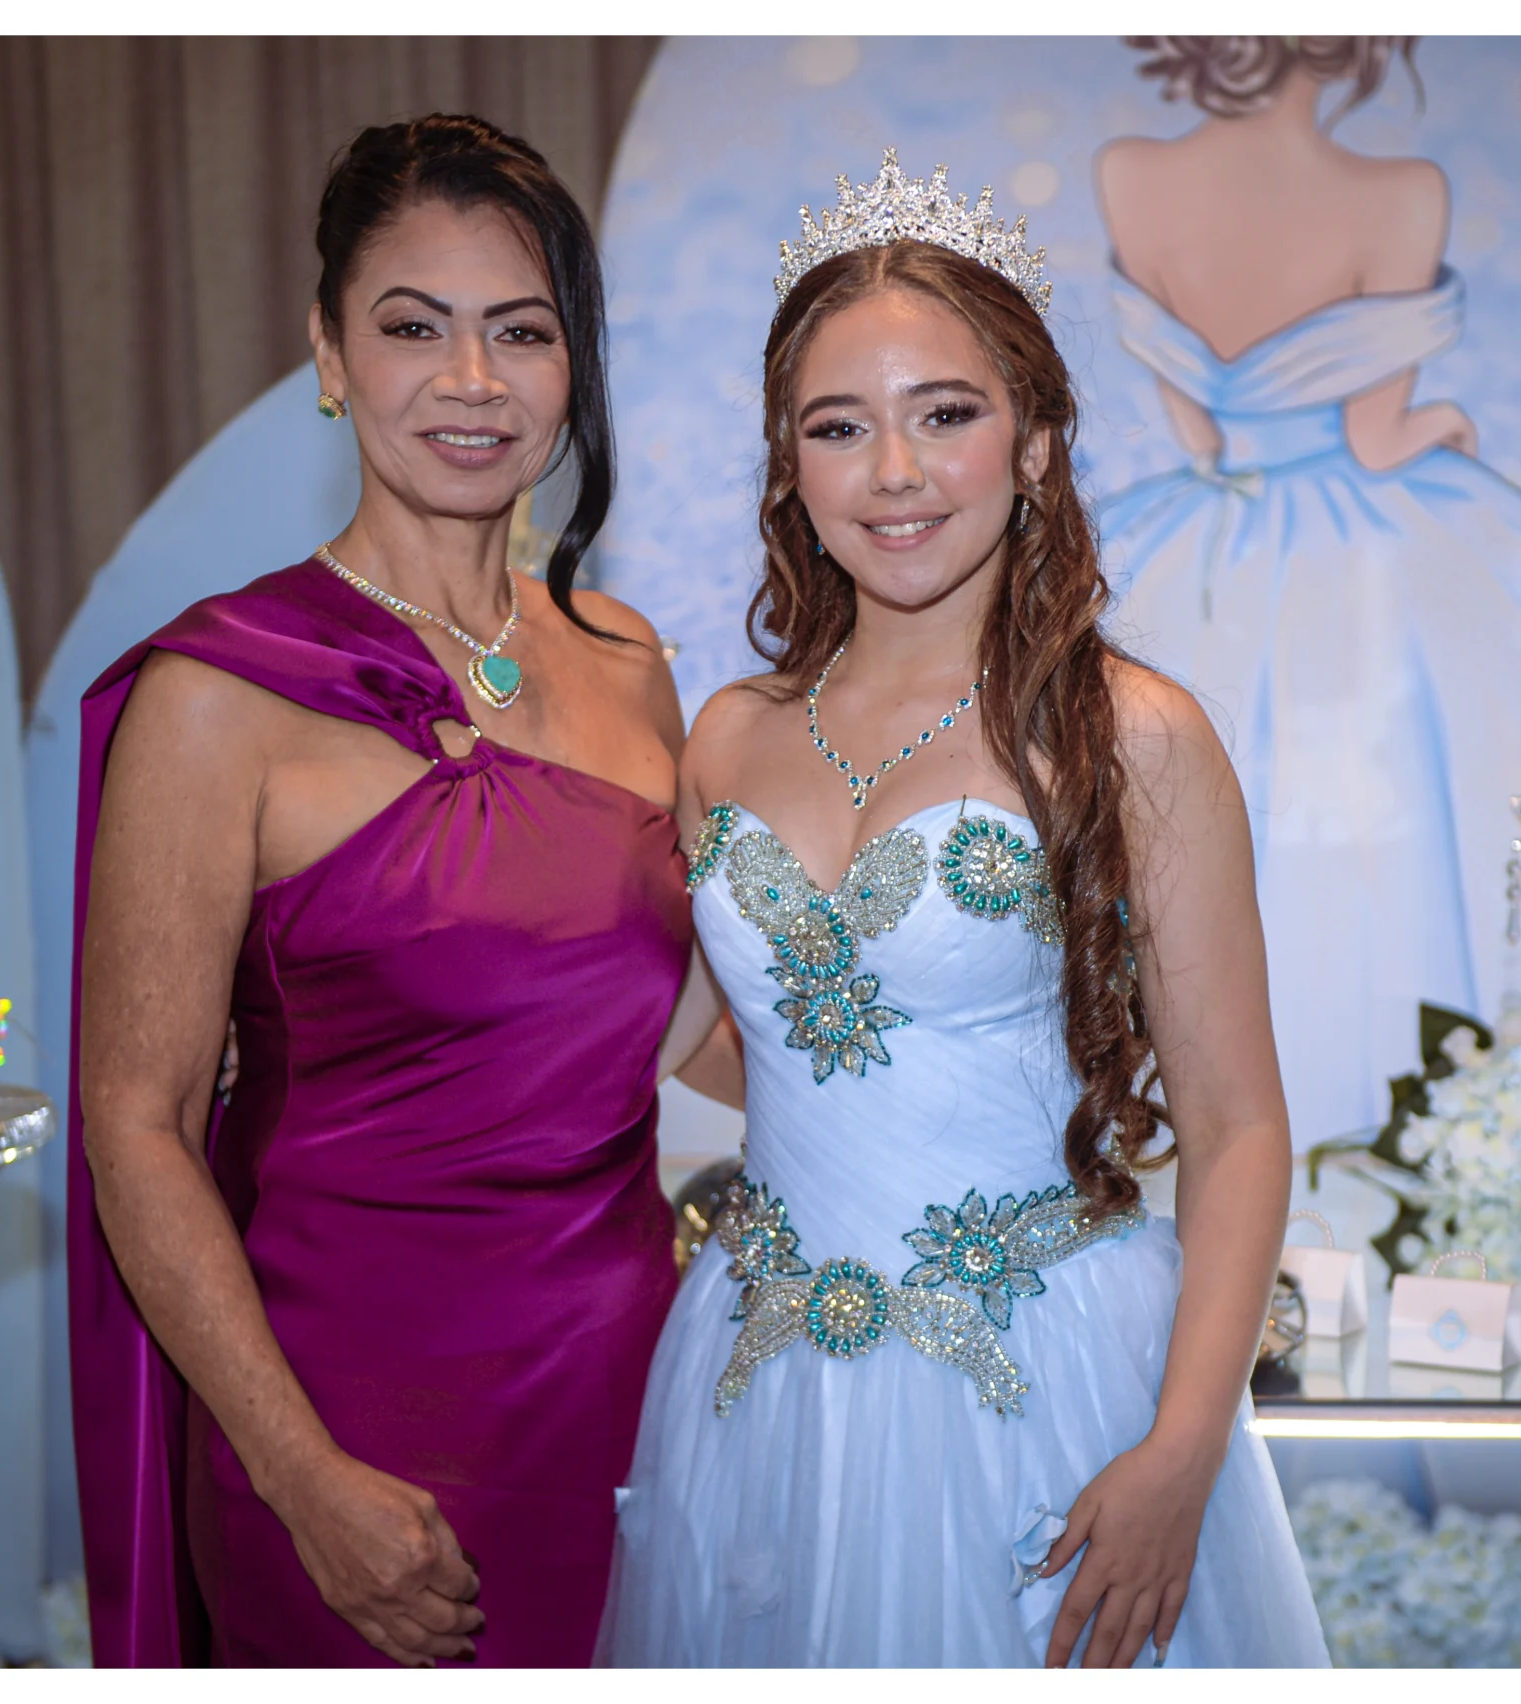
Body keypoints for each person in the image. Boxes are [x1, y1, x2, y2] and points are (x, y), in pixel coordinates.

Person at [599, 151, 1327, 1668]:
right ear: (788, 468)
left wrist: (1182, 1451)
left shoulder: (1133, 735)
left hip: (1044, 1377)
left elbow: (1240, 1125)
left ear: (1037, 444)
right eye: (838, 427)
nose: (895, 472)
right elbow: (706, 1036)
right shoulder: (727, 734)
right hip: (763, 1378)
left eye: (945, 414)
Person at [69, 114, 734, 1668]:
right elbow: (137, 1125)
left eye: (523, 332)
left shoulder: (631, 660)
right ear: (328, 354)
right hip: (346, 1429)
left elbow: (683, 1023)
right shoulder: (219, 694)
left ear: (576, 366)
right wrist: (300, 1479)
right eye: (414, 328)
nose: (473, 381)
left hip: (627, 1399)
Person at [1096, 36, 1521, 1145]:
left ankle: (1180, 1131)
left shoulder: (1128, 173)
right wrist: (1444, 425)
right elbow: (1373, 434)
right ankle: (1406, 1139)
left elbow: (1195, 426)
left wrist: (1237, 446)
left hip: (1197, 528)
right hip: (1351, 546)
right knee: (1391, 816)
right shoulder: (1400, 195)